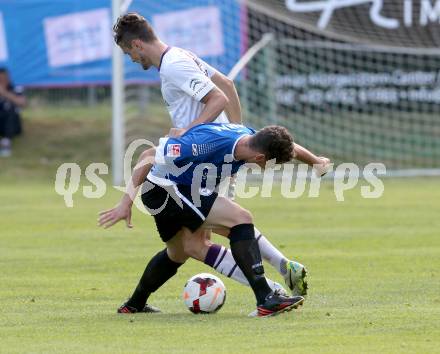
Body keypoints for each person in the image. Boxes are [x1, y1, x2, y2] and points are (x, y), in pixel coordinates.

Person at [112, 12, 316, 299]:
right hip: (213, 156)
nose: (131, 59)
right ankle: (277, 273)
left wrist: (190, 132)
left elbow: (218, 97)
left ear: (136, 45)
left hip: (193, 162)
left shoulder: (173, 66)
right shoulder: (180, 55)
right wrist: (239, 133)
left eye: (127, 52)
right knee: (194, 242)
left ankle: (268, 292)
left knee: (201, 241)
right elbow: (228, 86)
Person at [99, 123, 331, 316]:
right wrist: (125, 202)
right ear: (260, 157)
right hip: (165, 190)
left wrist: (315, 162)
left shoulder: (249, 136)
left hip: (183, 187)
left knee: (182, 251)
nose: (267, 169)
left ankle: (135, 304)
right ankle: (265, 297)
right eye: (270, 165)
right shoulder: (202, 147)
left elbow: (290, 148)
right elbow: (148, 155)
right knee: (240, 219)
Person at [0, 68, 26, 157]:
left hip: (13, 123)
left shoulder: (16, 88)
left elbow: (22, 103)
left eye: (4, 78)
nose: (2, 81)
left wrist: (5, 93)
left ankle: (6, 142)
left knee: (10, 108)